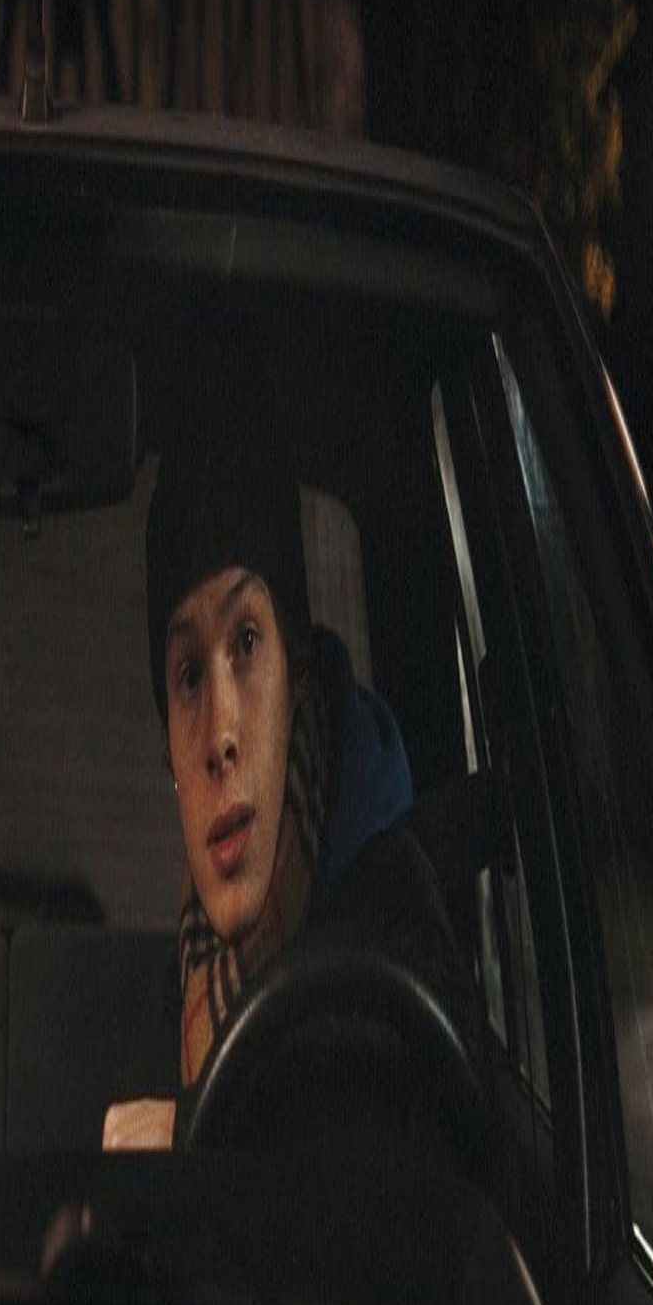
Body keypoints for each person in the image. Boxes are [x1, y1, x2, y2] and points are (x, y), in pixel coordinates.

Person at [104, 420, 471, 1151]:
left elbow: (405, 1169)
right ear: (169, 751)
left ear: (296, 680)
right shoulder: (187, 977)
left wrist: (197, 1140)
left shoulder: (396, 920)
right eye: (187, 677)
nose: (220, 736)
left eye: (246, 642)